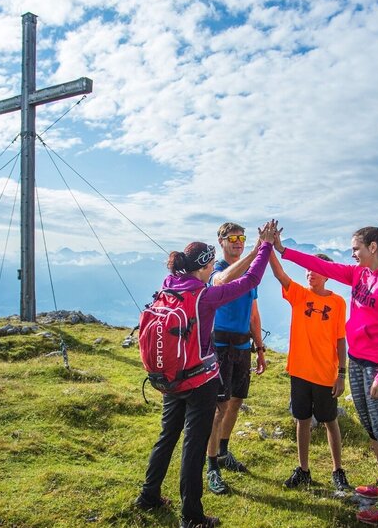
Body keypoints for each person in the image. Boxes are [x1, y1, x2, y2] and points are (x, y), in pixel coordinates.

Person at [135, 221, 277, 528]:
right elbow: (252, 277)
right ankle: (192, 516)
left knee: (167, 436)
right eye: (212, 262)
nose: (214, 266)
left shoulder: (168, 286)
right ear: (205, 266)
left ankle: (149, 495)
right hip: (199, 380)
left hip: (170, 378)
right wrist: (264, 246)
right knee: (193, 446)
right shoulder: (205, 296)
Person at [274, 225, 378, 525]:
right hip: (357, 361)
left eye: (356, 249)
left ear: (373, 248)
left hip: (376, 368)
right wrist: (282, 250)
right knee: (372, 427)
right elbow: (321, 265)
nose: (352, 254)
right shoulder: (360, 275)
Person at [268, 249, 351, 492]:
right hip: (300, 371)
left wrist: (342, 374)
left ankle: (338, 470)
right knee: (302, 420)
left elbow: (340, 340)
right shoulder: (299, 295)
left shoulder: (337, 302)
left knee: (330, 421)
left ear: (327, 275)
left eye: (316, 269)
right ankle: (303, 470)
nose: (309, 272)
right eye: (308, 268)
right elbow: (279, 273)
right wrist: (268, 247)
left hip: (326, 373)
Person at [204, 222, 268, 495]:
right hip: (220, 345)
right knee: (219, 407)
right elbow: (222, 281)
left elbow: (253, 313)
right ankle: (211, 467)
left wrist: (260, 348)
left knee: (236, 402)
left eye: (241, 237)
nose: (238, 242)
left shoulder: (248, 274)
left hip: (243, 346)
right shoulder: (217, 270)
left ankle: (223, 451)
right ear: (221, 242)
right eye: (232, 238)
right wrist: (255, 252)